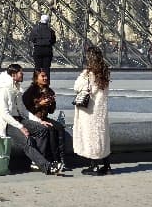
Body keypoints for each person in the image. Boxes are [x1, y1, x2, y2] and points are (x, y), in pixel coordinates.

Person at [0, 63, 59, 175]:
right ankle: (47, 167)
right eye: (21, 72)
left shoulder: (17, 88)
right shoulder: (3, 89)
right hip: (4, 123)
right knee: (27, 140)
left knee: (42, 129)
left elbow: (23, 110)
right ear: (14, 74)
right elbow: (4, 114)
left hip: (17, 119)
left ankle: (36, 163)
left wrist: (39, 121)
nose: (23, 74)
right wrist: (21, 127)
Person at [71, 45, 112, 175]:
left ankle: (94, 166)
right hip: (101, 109)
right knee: (102, 136)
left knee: (90, 136)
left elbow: (76, 86)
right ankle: (107, 165)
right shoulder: (105, 72)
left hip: (89, 110)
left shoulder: (88, 73)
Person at [21, 68, 68, 174]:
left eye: (46, 76)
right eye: (42, 76)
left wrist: (51, 103)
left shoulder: (49, 91)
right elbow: (26, 111)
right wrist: (39, 104)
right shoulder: (30, 92)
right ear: (36, 78)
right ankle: (51, 160)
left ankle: (62, 159)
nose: (45, 78)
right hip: (32, 119)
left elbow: (51, 111)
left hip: (44, 118)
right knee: (50, 129)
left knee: (60, 128)